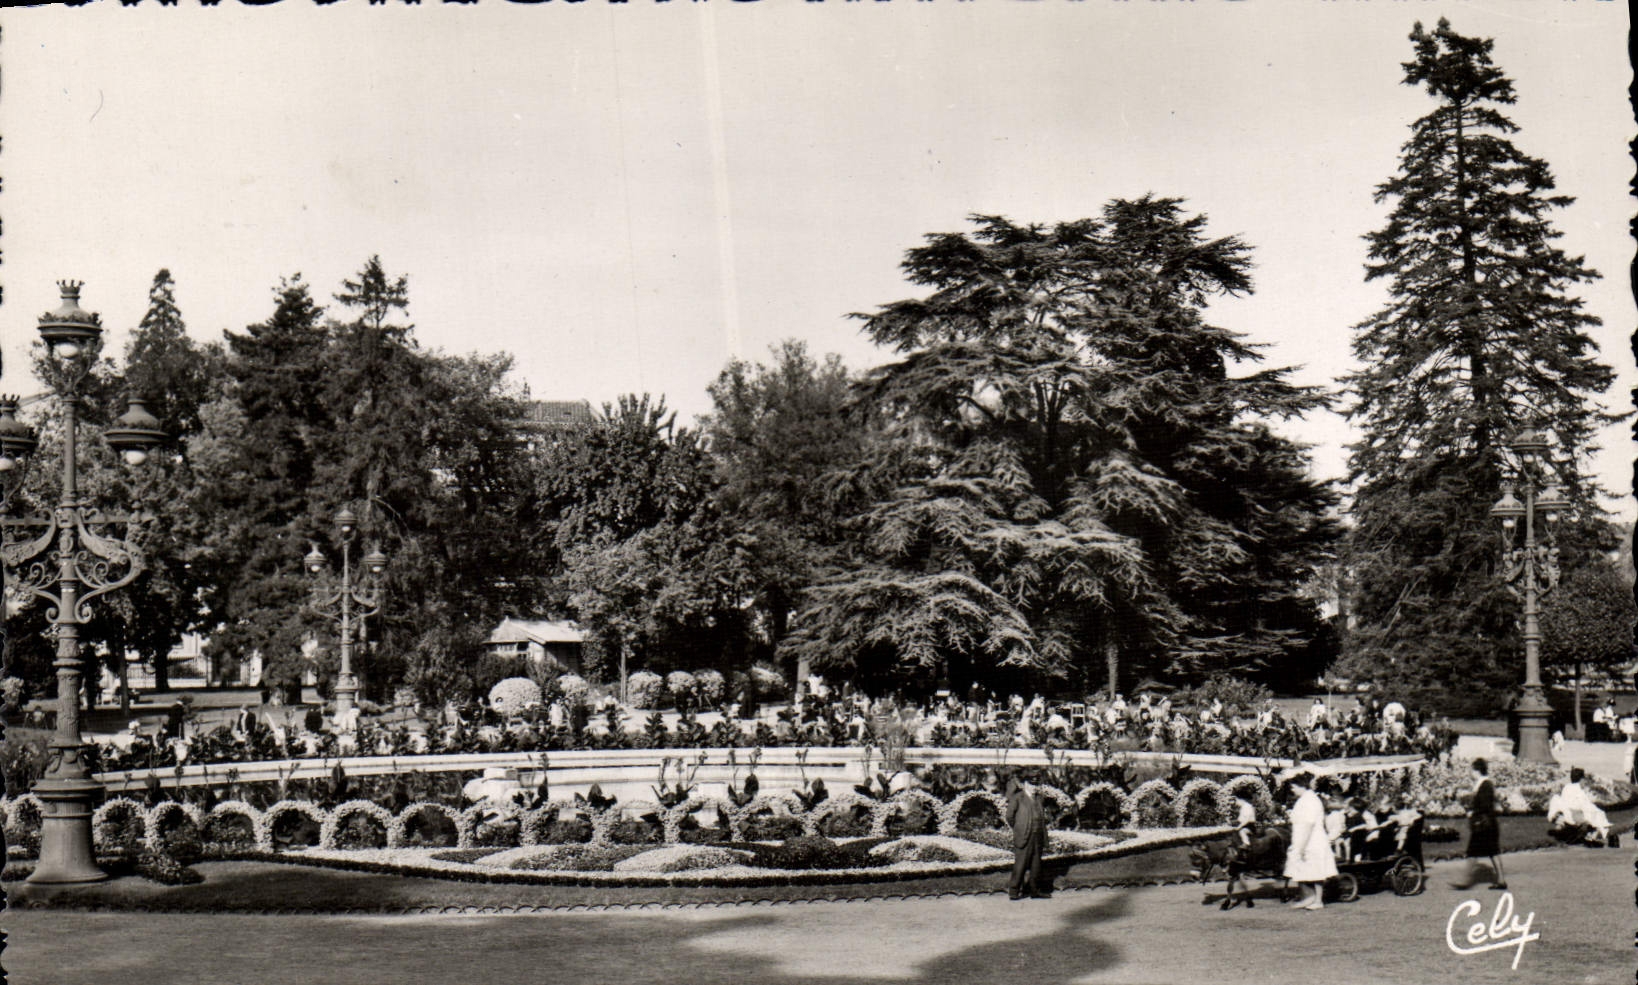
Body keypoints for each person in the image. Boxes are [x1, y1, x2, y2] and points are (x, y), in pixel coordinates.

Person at [1282, 771, 1337, 911]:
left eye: (1293, 786)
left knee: (1316, 870)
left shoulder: (1310, 800)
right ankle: (1308, 897)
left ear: (1302, 786)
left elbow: (1308, 825)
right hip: (1303, 839)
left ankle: (1318, 900)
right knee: (1301, 868)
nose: (1292, 789)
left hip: (1312, 840)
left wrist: (1301, 847)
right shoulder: (1303, 800)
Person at [1455, 758, 1505, 890]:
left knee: (1473, 852)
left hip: (1483, 825)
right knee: (1493, 851)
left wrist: (1473, 812)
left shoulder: (1485, 785)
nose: (1470, 773)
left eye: (1471, 770)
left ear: (1477, 770)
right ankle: (1501, 880)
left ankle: (1465, 881)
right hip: (1489, 824)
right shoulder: (1484, 784)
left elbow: (1485, 805)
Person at [1004, 774, 1048, 900]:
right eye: (1031, 784)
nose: (1034, 787)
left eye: (1036, 784)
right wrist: (1019, 828)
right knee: (1020, 864)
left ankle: (1034, 890)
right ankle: (1014, 891)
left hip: (1037, 835)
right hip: (1024, 836)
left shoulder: (1039, 798)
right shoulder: (1018, 798)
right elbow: (1009, 817)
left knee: (1036, 864)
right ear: (1025, 785)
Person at [1548, 767, 1613, 846]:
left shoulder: (1567, 788)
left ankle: (1561, 827)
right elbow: (1584, 805)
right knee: (1598, 814)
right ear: (1581, 779)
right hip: (1575, 817)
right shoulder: (1579, 791)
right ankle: (1592, 836)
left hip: (1565, 815)